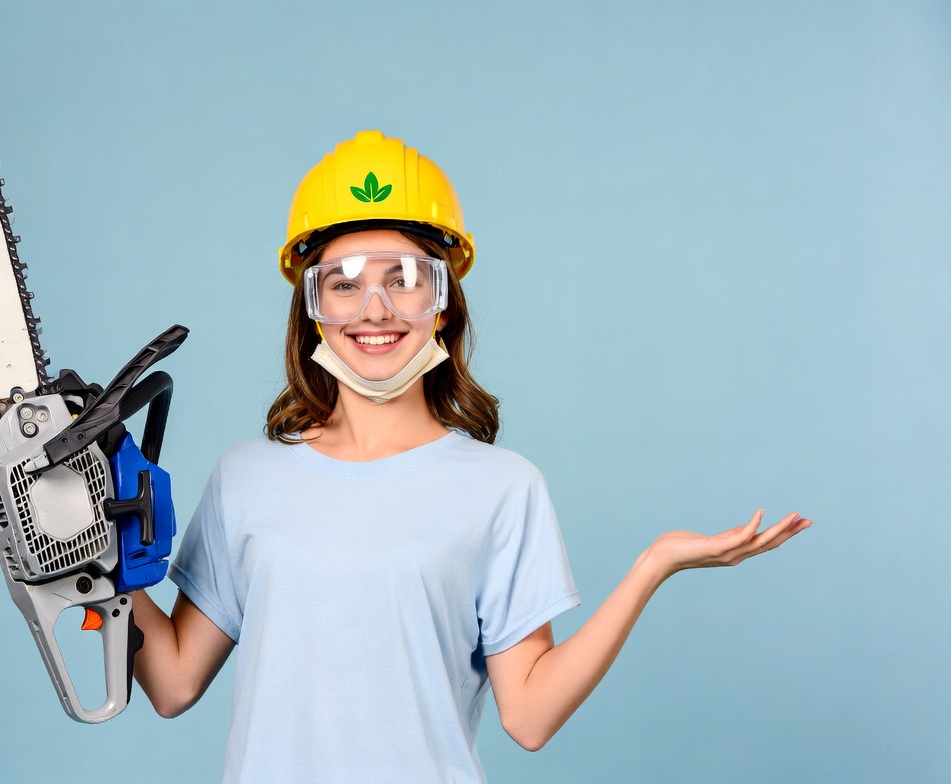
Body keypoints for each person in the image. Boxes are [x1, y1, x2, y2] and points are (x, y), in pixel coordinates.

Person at [129, 130, 811, 783]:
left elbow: (531, 716)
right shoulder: (247, 479)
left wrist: (651, 566)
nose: (375, 308)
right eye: (342, 283)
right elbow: (172, 682)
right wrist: (94, 557)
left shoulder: (500, 489)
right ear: (312, 309)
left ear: (443, 302)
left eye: (404, 279)